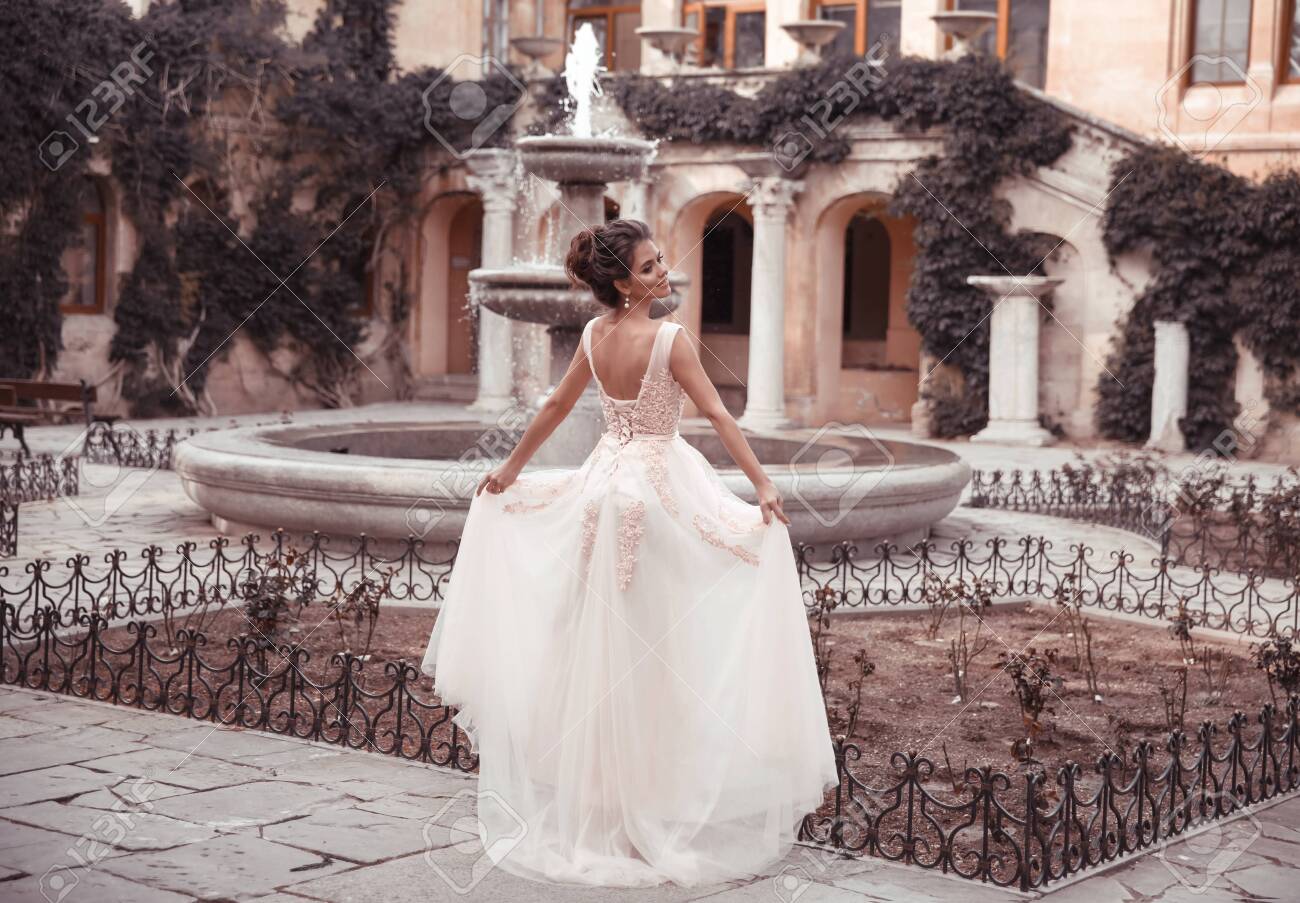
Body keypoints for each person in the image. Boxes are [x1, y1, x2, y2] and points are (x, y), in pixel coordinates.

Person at [420, 218, 839, 888]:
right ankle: (650, 808)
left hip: (602, 490)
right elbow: (720, 415)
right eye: (649, 267)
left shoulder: (594, 334)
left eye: (660, 261)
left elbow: (556, 406)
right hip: (655, 491)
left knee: (604, 644)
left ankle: (606, 805)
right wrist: (762, 484)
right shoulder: (669, 338)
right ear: (619, 281)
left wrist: (509, 469)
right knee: (657, 645)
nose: (663, 272)